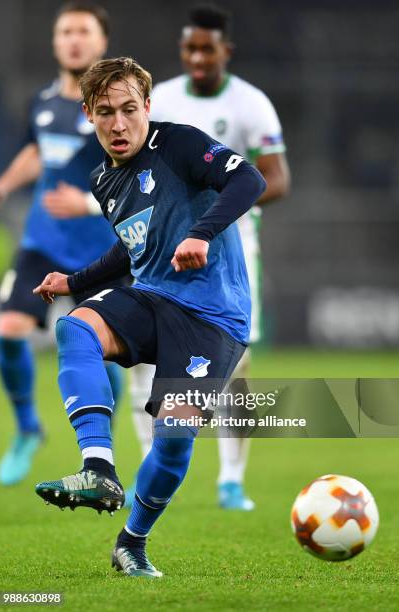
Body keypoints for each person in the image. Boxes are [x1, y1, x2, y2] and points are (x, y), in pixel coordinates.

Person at [33, 56, 266, 578]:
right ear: (89, 115)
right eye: (105, 112)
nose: (119, 124)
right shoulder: (103, 180)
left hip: (214, 316)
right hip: (153, 298)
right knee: (77, 326)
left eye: (129, 109)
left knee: (174, 438)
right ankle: (98, 468)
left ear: (147, 107)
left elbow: (249, 180)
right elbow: (130, 248)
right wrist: (74, 283)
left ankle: (131, 542)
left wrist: (200, 234)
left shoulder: (179, 144)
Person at [125, 3, 291, 510]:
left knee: (232, 366)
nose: (198, 57)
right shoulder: (163, 100)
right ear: (182, 50)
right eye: (190, 48)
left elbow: (277, 179)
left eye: (207, 49)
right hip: (159, 250)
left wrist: (209, 212)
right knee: (141, 365)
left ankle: (231, 480)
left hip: (233, 253)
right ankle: (150, 468)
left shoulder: (251, 103)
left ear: (226, 51)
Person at [0, 1, 123, 487]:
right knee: (7, 329)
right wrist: (3, 186)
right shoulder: (43, 100)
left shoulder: (115, 107)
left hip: (99, 249)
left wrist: (91, 202)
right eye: (65, 31)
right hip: (42, 242)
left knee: (106, 355)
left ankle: (101, 455)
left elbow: (135, 167)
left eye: (83, 31)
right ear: (55, 42)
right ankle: (28, 427)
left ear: (101, 42)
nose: (73, 39)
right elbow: (37, 151)